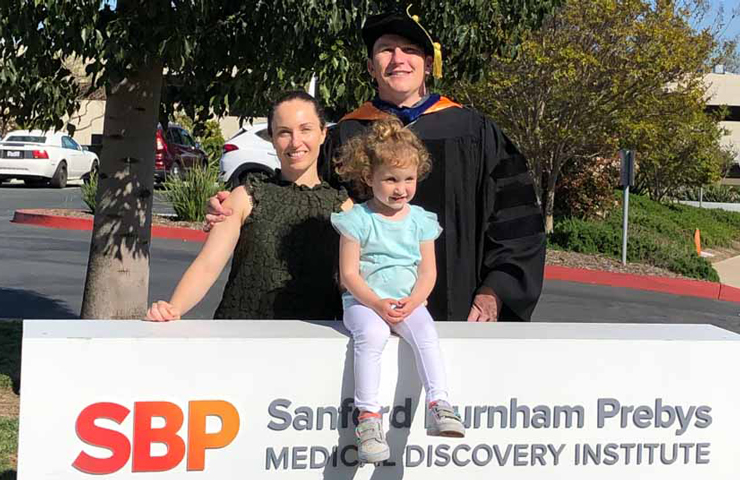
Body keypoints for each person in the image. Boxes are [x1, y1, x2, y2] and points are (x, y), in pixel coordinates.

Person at [206, 7, 546, 323]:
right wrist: (237, 205)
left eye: (410, 50)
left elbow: (515, 221)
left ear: (428, 63)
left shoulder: (474, 133)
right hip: (365, 309)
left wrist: (496, 290)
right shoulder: (348, 134)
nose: (398, 59)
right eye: (386, 50)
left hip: (456, 310)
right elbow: (302, 195)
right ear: (371, 67)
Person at [146, 91, 350, 321]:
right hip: (242, 336)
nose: (296, 141)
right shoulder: (246, 197)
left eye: (306, 129)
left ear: (323, 133)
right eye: (284, 132)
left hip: (315, 342)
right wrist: (174, 308)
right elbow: (208, 265)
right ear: (272, 139)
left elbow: (355, 280)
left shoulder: (344, 207)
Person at [331, 117, 465, 465]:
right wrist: (376, 302)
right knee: (372, 336)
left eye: (409, 179)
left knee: (426, 333)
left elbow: (427, 272)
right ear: (369, 177)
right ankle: (368, 421)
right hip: (364, 301)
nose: (400, 188)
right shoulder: (357, 219)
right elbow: (348, 274)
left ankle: (440, 405)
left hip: (408, 301)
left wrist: (413, 303)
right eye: (390, 179)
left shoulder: (421, 220)